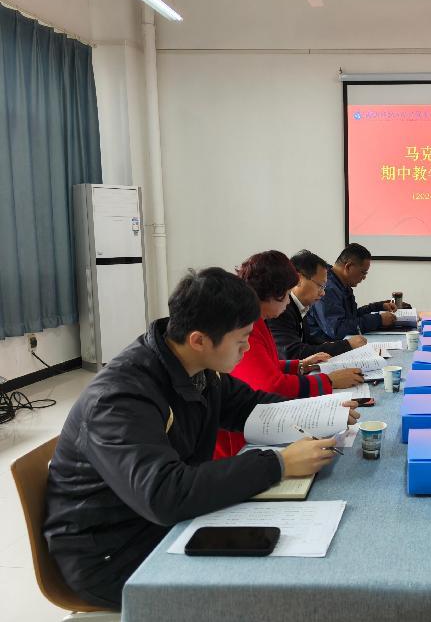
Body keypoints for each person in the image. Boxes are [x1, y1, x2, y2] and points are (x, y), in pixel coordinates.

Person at [43, 268, 359, 609]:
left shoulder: (197, 368)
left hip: (161, 521)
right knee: (275, 587)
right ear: (199, 340)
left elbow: (250, 406)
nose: (248, 348)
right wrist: (279, 464)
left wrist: (323, 413)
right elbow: (164, 494)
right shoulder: (119, 399)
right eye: (241, 340)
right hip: (114, 553)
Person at [215, 250, 364, 458]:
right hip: (237, 446)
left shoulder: (258, 320)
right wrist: (328, 381)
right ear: (271, 293)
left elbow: (265, 365)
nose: (288, 300)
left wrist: (298, 365)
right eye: (286, 293)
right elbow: (270, 385)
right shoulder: (246, 325)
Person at [268, 249, 367, 360]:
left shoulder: (301, 306)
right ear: (298, 279)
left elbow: (308, 342)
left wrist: (338, 344)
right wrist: (346, 345)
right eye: (320, 286)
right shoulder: (280, 309)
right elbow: (293, 353)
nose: (323, 293)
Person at [306, 242, 398, 340]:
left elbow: (351, 317)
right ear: (348, 266)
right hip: (325, 346)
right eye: (363, 272)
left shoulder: (341, 284)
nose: (364, 277)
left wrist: (379, 306)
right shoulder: (328, 288)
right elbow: (338, 329)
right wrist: (378, 320)